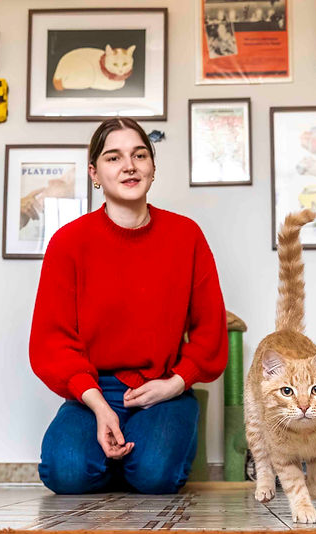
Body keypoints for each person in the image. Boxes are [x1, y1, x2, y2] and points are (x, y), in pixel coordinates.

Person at [30, 117, 229, 495]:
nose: (129, 166)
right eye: (113, 157)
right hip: (92, 390)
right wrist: (98, 406)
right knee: (65, 473)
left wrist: (175, 384)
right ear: (95, 172)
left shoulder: (186, 236)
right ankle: (112, 457)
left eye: (140, 155)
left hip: (163, 385)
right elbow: (51, 341)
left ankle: (135, 458)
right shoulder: (68, 243)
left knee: (155, 477)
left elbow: (210, 330)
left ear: (152, 167)